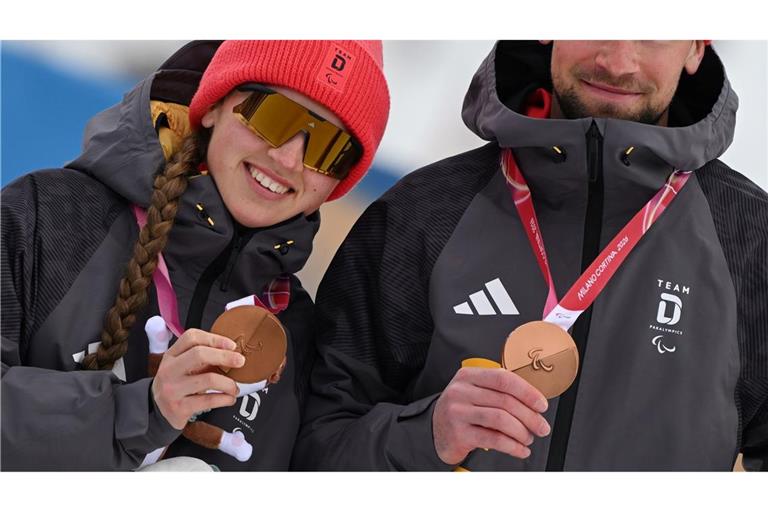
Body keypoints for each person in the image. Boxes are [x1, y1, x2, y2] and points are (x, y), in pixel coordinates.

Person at [292, 40, 768, 471]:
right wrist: (423, 436)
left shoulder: (751, 239)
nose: (618, 62)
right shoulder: (423, 213)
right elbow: (311, 449)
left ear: (696, 47)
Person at [1, 39, 389, 471]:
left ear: (333, 185)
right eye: (273, 116)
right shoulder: (51, 214)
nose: (287, 159)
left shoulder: (298, 332)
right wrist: (140, 412)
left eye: (327, 149)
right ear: (213, 107)